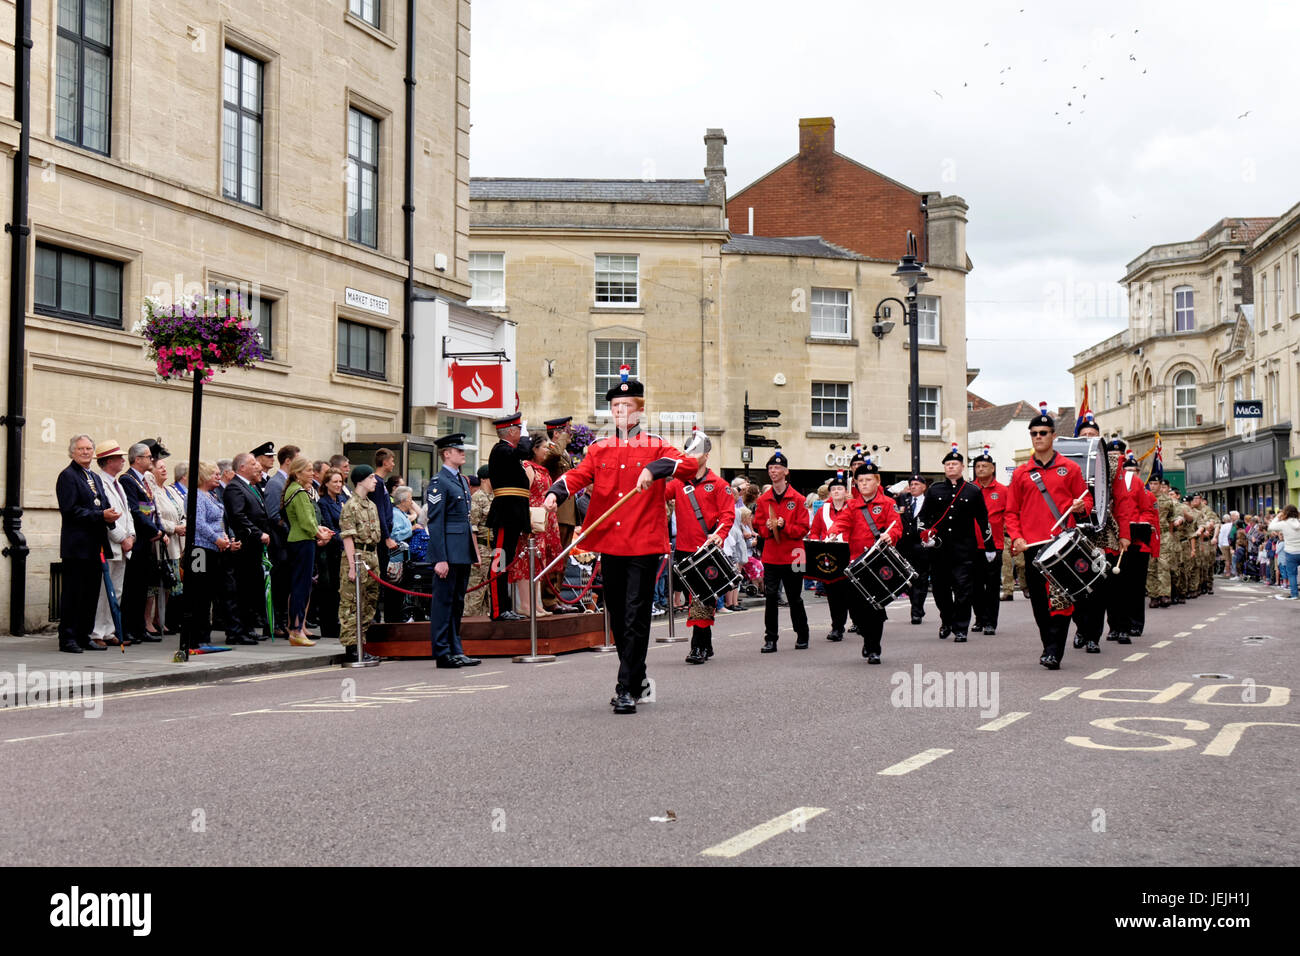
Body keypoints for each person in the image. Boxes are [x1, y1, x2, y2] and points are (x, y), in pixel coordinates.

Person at [543, 366, 698, 714]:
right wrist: (556, 491)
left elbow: (689, 465)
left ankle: (626, 686)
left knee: (635, 614)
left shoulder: (657, 445)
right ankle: (638, 677)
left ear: (639, 410)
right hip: (610, 542)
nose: (621, 412)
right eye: (616, 406)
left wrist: (656, 469)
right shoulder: (600, 449)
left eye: (628, 406)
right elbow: (579, 475)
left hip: (644, 543)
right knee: (616, 612)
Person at [1004, 405, 1092, 670]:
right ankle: (1048, 644)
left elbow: (1086, 501)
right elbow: (1011, 512)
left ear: (1053, 436)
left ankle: (1054, 651)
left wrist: (1080, 507)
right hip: (1033, 546)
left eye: (1043, 432)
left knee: (1061, 599)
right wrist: (1016, 538)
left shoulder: (1070, 468)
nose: (1038, 437)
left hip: (1062, 544)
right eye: (1034, 433)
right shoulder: (1021, 474)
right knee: (1041, 604)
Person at [666, 429, 734, 664]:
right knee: (692, 597)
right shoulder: (677, 483)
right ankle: (706, 643)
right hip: (684, 548)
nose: (691, 457)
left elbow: (728, 515)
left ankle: (697, 648)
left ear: (706, 455)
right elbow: (657, 497)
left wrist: (719, 535)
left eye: (695, 453)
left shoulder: (719, 484)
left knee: (702, 599)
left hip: (707, 549)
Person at [917, 444, 996, 642]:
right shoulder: (935, 490)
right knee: (940, 590)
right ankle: (947, 620)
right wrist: (924, 535)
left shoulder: (972, 491)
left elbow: (983, 520)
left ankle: (961, 628)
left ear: (962, 467)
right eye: (948, 464)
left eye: (955, 464)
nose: (951, 467)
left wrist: (989, 546)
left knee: (963, 590)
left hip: (964, 550)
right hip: (939, 550)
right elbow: (923, 519)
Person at [828, 459, 903, 663]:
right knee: (856, 607)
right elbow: (842, 521)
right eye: (860, 480)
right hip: (856, 562)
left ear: (877, 481)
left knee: (875, 606)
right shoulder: (852, 505)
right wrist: (834, 532)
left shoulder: (888, 503)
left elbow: (896, 526)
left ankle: (874, 648)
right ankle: (866, 635)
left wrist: (891, 536)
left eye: (868, 480)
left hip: (878, 561)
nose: (864, 484)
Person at [425, 433, 482, 668]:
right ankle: (442, 651)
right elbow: (435, 522)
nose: (463, 453)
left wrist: (473, 551)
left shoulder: (460, 480)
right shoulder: (439, 482)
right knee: (444, 602)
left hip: (461, 550)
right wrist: (440, 558)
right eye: (458, 450)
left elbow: (465, 521)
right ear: (446, 454)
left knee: (457, 601)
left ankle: (455, 648)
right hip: (448, 551)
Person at [55, 434, 112, 653]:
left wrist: (110, 516)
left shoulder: (95, 477)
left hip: (95, 545)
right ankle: (68, 638)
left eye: (89, 448)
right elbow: (70, 510)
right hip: (76, 546)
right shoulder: (67, 476)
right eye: (81, 449)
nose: (86, 452)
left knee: (90, 594)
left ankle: (84, 634)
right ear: (72, 452)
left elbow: (102, 502)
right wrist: (100, 515)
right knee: (73, 593)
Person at [754, 449, 811, 653]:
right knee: (770, 598)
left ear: (786, 471)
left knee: (795, 597)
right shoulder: (763, 500)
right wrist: (767, 529)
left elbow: (804, 529)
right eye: (770, 468)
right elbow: (758, 525)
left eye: (777, 467)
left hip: (795, 554)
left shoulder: (798, 499)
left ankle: (802, 634)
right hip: (772, 555)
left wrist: (784, 525)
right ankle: (771, 639)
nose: (773, 471)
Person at [222, 452, 274, 644]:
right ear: (242, 467)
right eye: (253, 463)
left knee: (250, 589)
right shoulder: (235, 488)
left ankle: (247, 627)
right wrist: (258, 533)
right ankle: (237, 632)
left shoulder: (250, 487)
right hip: (243, 547)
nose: (257, 466)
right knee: (241, 589)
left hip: (253, 549)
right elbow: (238, 516)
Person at [119, 442, 165, 644]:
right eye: (148, 457)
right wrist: (154, 530)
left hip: (148, 541)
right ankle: (129, 628)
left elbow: (152, 508)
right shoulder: (127, 480)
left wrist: (159, 528)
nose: (151, 460)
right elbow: (135, 511)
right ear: (137, 459)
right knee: (132, 588)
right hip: (138, 540)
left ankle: (140, 628)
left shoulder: (145, 481)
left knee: (142, 588)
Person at [486, 415, 531, 622]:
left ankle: (504, 607)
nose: (521, 433)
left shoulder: (508, 452)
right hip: (505, 514)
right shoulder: (502, 450)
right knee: (499, 561)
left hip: (513, 513)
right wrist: (525, 439)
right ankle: (498, 609)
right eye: (519, 429)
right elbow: (524, 451)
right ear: (511, 431)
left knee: (506, 561)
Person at [512, 436, 562, 617]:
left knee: (539, 563)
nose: (547, 451)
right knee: (527, 563)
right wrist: (527, 520)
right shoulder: (527, 468)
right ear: (534, 449)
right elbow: (523, 496)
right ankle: (525, 604)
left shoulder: (542, 469)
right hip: (533, 520)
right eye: (544, 447)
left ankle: (536, 604)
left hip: (543, 519)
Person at [91, 440, 134, 646]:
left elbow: (127, 514)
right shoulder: (102, 483)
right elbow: (109, 517)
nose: (122, 460)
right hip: (111, 545)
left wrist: (131, 536)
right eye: (119, 457)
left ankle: (110, 630)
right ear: (108, 461)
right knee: (103, 591)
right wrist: (122, 538)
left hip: (124, 546)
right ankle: (97, 632)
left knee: (116, 591)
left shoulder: (118, 484)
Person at [283, 455, 329, 646]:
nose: (313, 474)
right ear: (298, 473)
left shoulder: (295, 490)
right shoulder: (299, 492)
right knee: (301, 587)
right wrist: (320, 535)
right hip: (302, 541)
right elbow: (306, 522)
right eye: (309, 470)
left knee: (300, 586)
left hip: (299, 540)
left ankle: (297, 628)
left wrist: (319, 531)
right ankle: (296, 630)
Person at [339, 465, 382, 664]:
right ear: (361, 480)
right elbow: (348, 537)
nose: (375, 480)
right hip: (356, 555)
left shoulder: (370, 505)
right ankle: (352, 648)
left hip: (371, 555)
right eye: (371, 477)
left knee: (369, 603)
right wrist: (352, 565)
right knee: (352, 604)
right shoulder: (351, 506)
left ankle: (361, 643)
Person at [189, 461, 233, 647]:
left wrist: (224, 536)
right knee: (199, 594)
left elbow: (217, 521)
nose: (218, 476)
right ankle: (196, 638)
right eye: (214, 474)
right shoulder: (197, 496)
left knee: (208, 594)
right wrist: (217, 539)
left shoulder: (212, 495)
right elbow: (199, 523)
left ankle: (204, 637)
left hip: (214, 549)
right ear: (204, 476)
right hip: (200, 549)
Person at [809, 470, 854, 641]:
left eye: (840, 488)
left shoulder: (853, 508)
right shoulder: (823, 510)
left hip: (849, 555)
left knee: (849, 593)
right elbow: (814, 532)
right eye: (833, 489)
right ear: (830, 493)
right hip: (829, 557)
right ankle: (837, 627)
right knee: (833, 593)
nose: (836, 491)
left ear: (845, 492)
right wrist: (817, 546)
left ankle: (855, 620)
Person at [145, 448, 186, 636]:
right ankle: (149, 620)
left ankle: (161, 619)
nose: (164, 470)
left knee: (171, 583)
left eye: (164, 467)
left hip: (176, 544)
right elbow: (157, 516)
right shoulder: (153, 491)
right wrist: (172, 528)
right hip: (162, 541)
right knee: (155, 584)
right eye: (160, 467)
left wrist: (182, 524)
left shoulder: (169, 490)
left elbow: (181, 510)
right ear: (151, 471)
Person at [970, 446, 1008, 635]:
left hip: (994, 545)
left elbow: (1009, 515)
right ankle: (979, 619)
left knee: (992, 586)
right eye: (977, 466)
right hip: (971, 545)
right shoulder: (969, 489)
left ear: (992, 468)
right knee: (975, 586)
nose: (981, 469)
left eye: (985, 466)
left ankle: (991, 622)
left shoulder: (1002, 490)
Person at [263, 444, 299, 638]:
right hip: (279, 543)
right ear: (288, 461)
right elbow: (274, 515)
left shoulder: (288, 483)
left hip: (289, 543)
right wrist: (292, 530)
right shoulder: (276, 484)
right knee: (278, 586)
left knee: (286, 586)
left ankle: (283, 621)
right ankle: (275, 622)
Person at [895, 474, 931, 624]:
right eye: (911, 484)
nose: (913, 486)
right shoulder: (903, 500)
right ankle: (916, 605)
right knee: (906, 578)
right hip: (905, 545)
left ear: (924, 487)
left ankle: (916, 611)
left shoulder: (930, 501)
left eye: (917, 484)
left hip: (922, 545)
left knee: (921, 579)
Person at [315, 468, 346, 639]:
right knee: (329, 590)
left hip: (342, 551)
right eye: (334, 481)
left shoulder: (342, 500)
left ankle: (337, 622)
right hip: (330, 552)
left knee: (338, 591)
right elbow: (330, 527)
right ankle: (328, 627)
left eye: (340, 481)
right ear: (326, 483)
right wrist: (347, 538)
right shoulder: (323, 503)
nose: (338, 485)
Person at [370, 447, 399, 622]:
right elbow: (379, 511)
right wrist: (386, 537)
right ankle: (374, 615)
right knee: (378, 575)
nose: (393, 464)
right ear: (385, 462)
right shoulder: (378, 483)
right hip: (381, 537)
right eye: (392, 460)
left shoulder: (382, 483)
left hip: (385, 533)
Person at [465, 465, 494, 619]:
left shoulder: (495, 497)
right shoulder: (477, 498)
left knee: (490, 590)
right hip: (482, 547)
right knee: (476, 589)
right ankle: (470, 622)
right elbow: (472, 528)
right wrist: (476, 553)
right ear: (483, 479)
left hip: (495, 549)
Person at [1269, 505, 1300, 600]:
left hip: (1291, 551)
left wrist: (1277, 517)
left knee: (1292, 574)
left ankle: (1294, 595)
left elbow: (1270, 527)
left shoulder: (1284, 523)